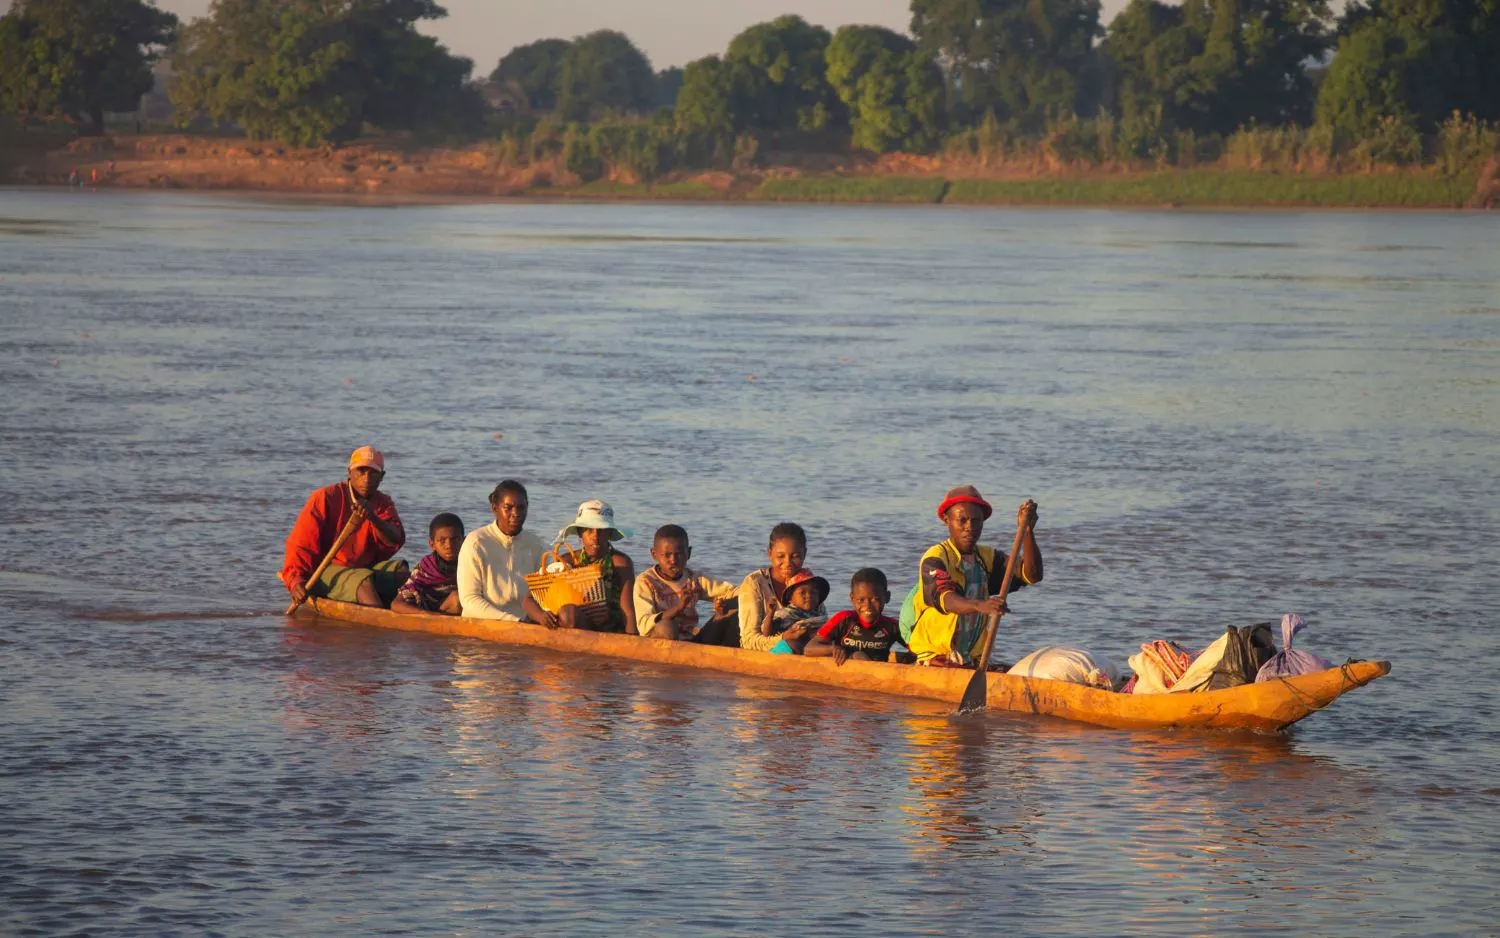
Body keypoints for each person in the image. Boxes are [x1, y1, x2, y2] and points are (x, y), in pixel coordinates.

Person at [906, 487, 1043, 667]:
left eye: (976, 521)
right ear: (947, 520)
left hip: (971, 659)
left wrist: (1026, 531)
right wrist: (979, 605)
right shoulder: (936, 557)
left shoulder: (986, 557)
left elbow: (1031, 575)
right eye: (962, 521)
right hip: (936, 658)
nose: (970, 527)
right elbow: (945, 598)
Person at [280, 446, 407, 608]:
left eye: (373, 473)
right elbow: (301, 544)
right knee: (363, 582)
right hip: (324, 571)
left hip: (364, 569)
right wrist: (295, 580)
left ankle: (411, 611)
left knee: (403, 573)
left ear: (382, 477)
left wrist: (372, 517)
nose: (366, 478)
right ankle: (379, 624)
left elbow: (395, 538)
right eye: (361, 471)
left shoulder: (383, 503)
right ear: (349, 472)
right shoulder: (324, 497)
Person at [457, 480, 553, 625]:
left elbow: (546, 593)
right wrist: (514, 621)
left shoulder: (536, 545)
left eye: (521, 508)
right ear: (495, 508)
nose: (516, 514)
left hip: (526, 626)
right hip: (480, 626)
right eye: (508, 507)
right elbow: (469, 599)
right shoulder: (476, 542)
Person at [632, 524, 738, 643]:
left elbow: (735, 592)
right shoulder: (646, 582)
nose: (673, 560)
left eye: (679, 554)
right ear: (654, 554)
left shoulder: (694, 579)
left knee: (734, 609)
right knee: (667, 626)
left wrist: (723, 604)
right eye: (667, 555)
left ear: (688, 553)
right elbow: (644, 625)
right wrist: (679, 607)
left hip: (692, 640)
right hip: (659, 642)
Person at [553, 500, 638, 634]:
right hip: (576, 623)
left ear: (609, 533)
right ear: (580, 533)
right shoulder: (567, 561)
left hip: (609, 628)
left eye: (601, 531)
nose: (595, 537)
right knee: (568, 612)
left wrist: (633, 642)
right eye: (589, 530)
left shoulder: (620, 562)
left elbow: (628, 611)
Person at [738, 523, 825, 652]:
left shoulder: (809, 583)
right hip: (768, 653)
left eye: (795, 556)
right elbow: (748, 641)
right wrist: (783, 637)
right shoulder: (755, 582)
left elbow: (821, 621)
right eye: (780, 556)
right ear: (769, 554)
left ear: (804, 554)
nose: (788, 563)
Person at [806, 568, 901, 665]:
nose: (867, 606)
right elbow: (809, 649)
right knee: (858, 655)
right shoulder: (844, 619)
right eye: (861, 600)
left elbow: (916, 647)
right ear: (852, 598)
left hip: (879, 674)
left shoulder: (892, 626)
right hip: (847, 671)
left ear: (887, 597)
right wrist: (832, 649)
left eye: (874, 599)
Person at [391, 513, 464, 616]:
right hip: (432, 614)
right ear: (432, 545)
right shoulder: (426, 568)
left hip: (459, 612)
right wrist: (426, 614)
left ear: (464, 540)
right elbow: (396, 604)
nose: (449, 546)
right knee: (456, 598)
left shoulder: (470, 563)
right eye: (442, 541)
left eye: (454, 540)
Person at [764, 570, 829, 654]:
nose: (809, 596)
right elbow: (767, 635)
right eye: (802, 593)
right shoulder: (786, 614)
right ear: (790, 599)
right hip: (788, 649)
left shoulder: (820, 613)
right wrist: (770, 614)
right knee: (793, 643)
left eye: (813, 593)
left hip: (811, 649)